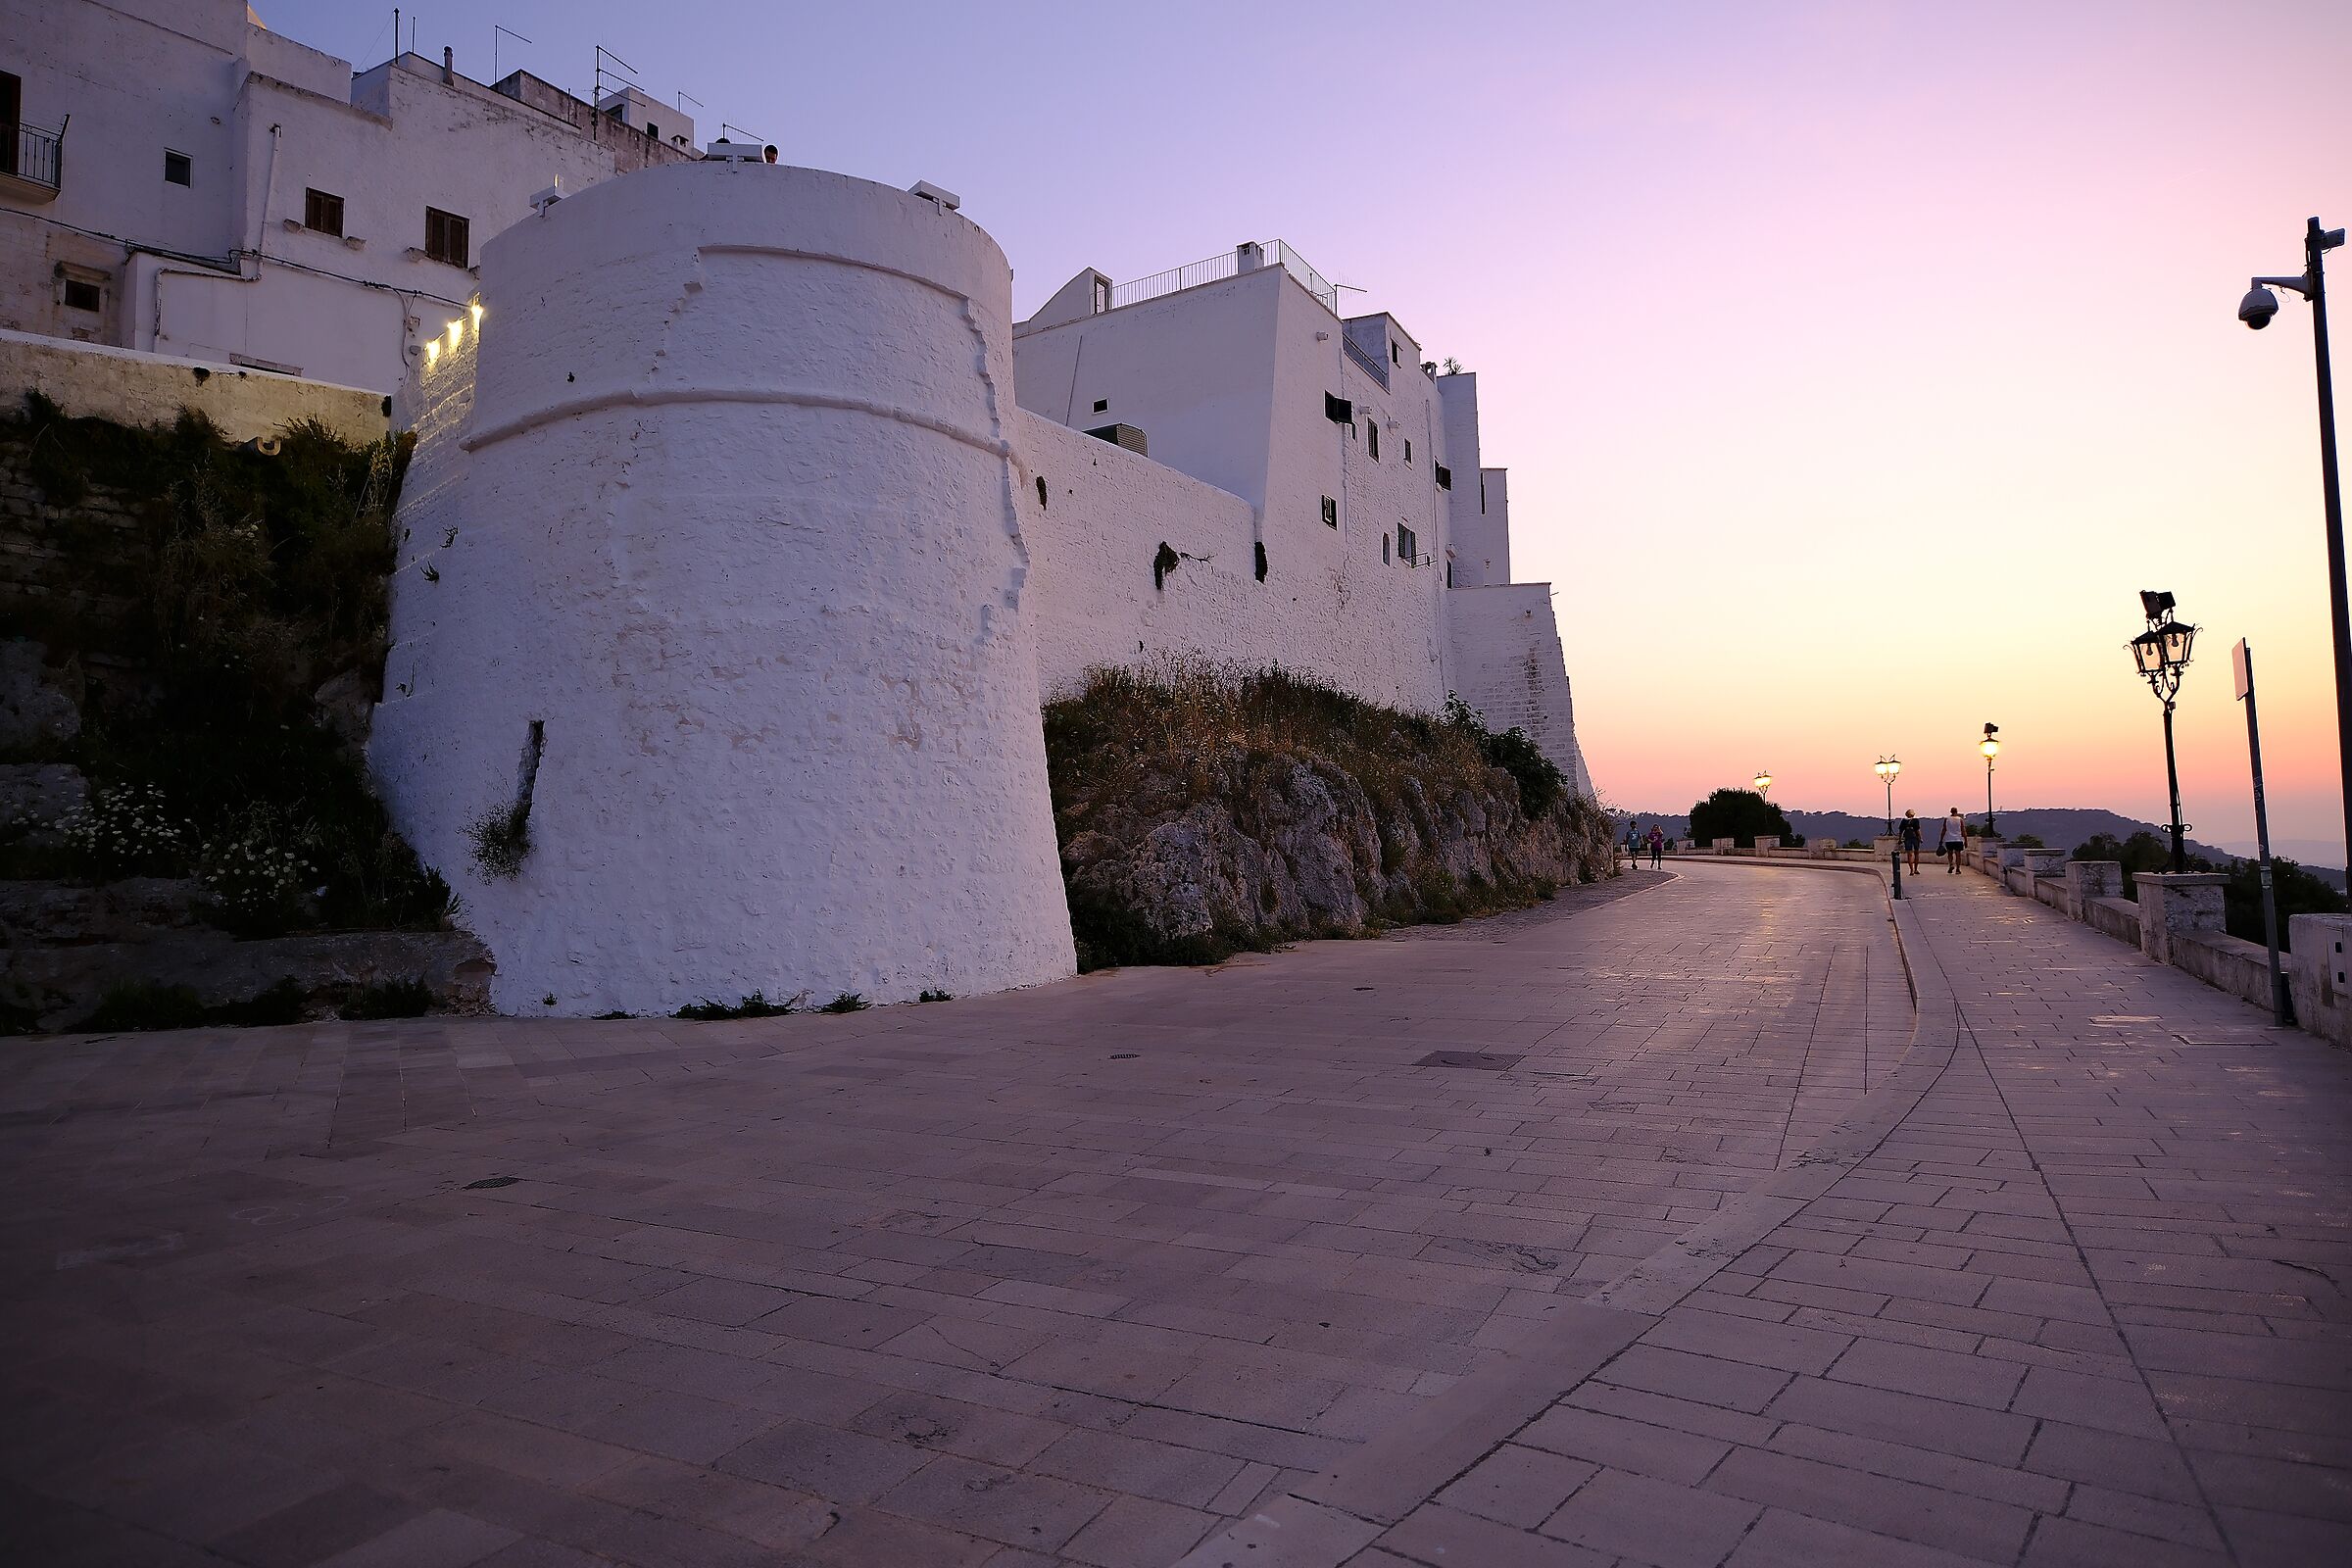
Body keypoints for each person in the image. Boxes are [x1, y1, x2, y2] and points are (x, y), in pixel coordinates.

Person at [1938, 807, 1968, 873]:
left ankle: (1951, 864)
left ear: (1950, 811)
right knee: (1958, 854)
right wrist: (1966, 840)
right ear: (1956, 811)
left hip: (1949, 839)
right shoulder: (1960, 820)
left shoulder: (1947, 819)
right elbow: (1963, 830)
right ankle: (1958, 869)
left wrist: (1941, 839)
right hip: (1958, 839)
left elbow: (1944, 830)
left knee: (1950, 854)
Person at [1899, 808, 1923, 875]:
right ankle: (1915, 869)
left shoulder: (1903, 821)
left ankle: (1912, 870)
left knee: (1909, 854)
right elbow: (1917, 830)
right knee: (1916, 853)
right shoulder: (1915, 821)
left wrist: (1900, 839)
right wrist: (1920, 838)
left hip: (1907, 837)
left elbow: (1901, 831)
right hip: (1915, 838)